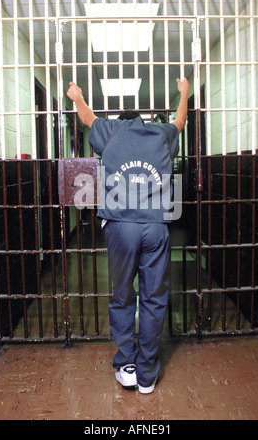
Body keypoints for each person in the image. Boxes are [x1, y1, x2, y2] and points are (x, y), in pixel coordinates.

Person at [67, 77, 190, 394]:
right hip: (155, 226)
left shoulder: (110, 131)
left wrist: (78, 97)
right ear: (143, 120)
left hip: (121, 226)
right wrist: (185, 93)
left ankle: (127, 366)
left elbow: (86, 117)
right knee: (154, 298)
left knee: (122, 297)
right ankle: (148, 375)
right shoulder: (161, 134)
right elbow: (179, 121)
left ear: (119, 121)